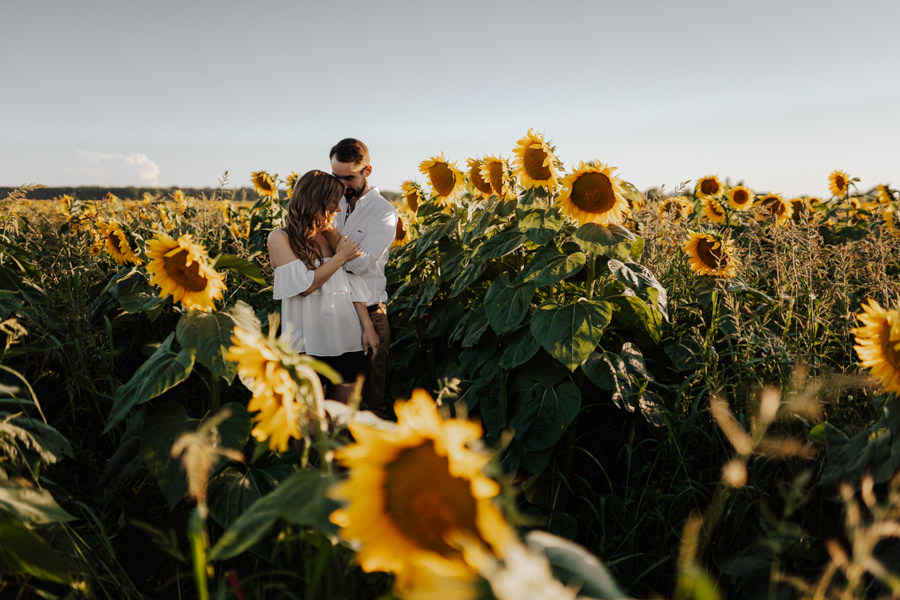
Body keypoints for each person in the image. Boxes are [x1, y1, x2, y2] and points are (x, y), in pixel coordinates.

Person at [268, 169, 379, 403]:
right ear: (314, 201)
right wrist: (340, 256)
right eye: (333, 202)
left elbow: (352, 280)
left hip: (347, 339)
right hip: (306, 345)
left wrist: (367, 326)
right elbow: (305, 286)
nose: (338, 209)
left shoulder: (330, 236)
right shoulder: (280, 238)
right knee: (308, 425)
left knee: (340, 422)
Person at [326, 138, 398, 420]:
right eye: (336, 177)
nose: (342, 185)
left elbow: (363, 264)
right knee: (337, 400)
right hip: (334, 312)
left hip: (370, 313)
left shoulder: (384, 213)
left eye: (349, 177)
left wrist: (329, 233)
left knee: (371, 400)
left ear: (367, 171)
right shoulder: (334, 205)